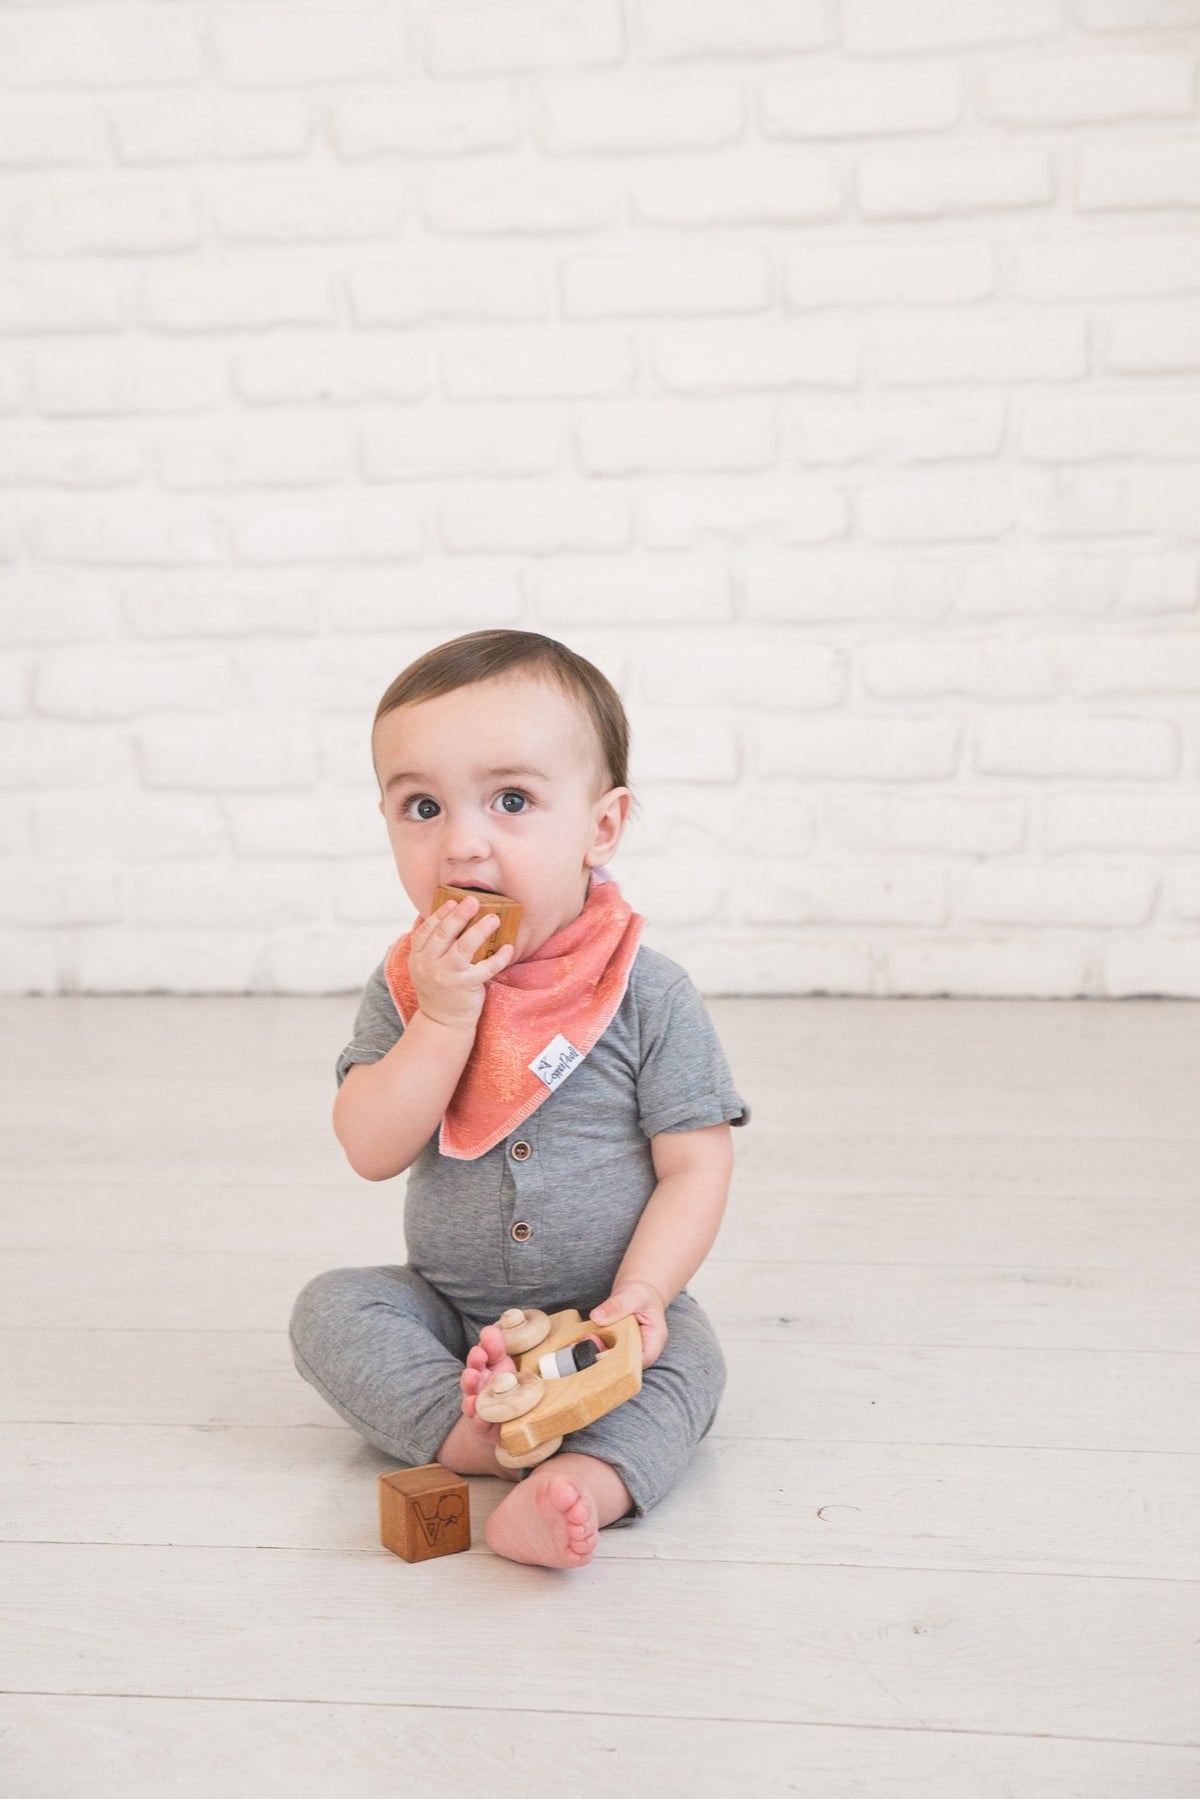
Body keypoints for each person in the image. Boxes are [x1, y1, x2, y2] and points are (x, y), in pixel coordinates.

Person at [289, 628, 749, 1569]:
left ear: (601, 828)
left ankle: (580, 1482)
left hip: (603, 1318)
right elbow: (371, 1148)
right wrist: (444, 1019)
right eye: (422, 806)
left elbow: (695, 1165)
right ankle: (479, 1437)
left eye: (511, 800)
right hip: (450, 1313)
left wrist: (644, 1293)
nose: (462, 842)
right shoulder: (410, 987)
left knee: (692, 1362)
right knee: (330, 1309)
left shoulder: (644, 992)